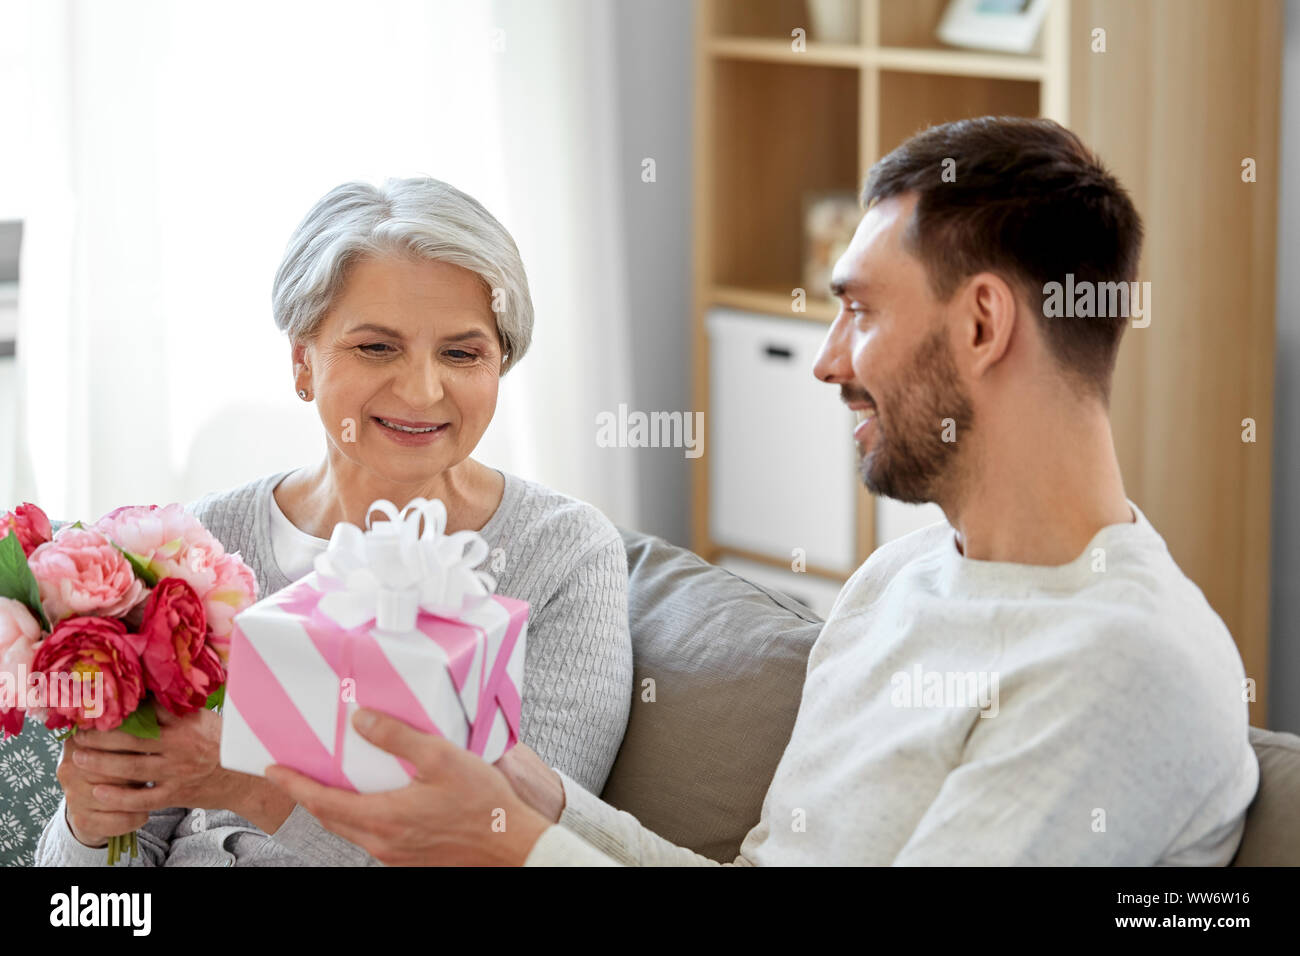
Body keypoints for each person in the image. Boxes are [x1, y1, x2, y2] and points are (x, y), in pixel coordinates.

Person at [267, 116, 1259, 866]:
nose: (827, 362)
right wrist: (529, 794)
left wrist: (514, 843)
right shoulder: (899, 579)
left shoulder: (1118, 663)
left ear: (982, 324)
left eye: (859, 311)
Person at [36, 177, 633, 866]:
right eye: (376, 347)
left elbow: (516, 850)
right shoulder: (203, 545)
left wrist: (245, 784)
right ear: (302, 362)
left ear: (501, 363)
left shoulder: (560, 554)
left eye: (462, 353)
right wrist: (88, 822)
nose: (420, 390)